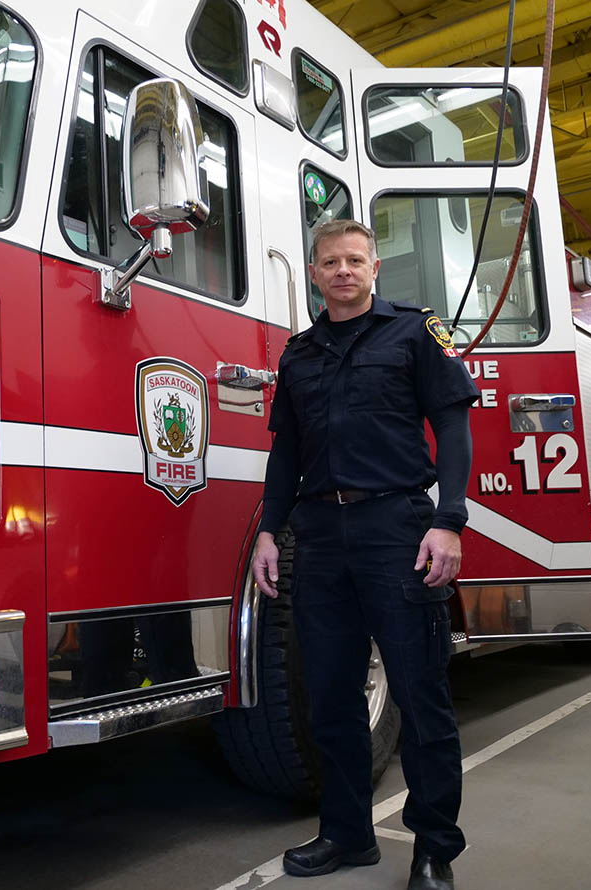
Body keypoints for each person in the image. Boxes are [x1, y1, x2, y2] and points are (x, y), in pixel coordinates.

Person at [252, 219, 479, 890]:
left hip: (397, 529)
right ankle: (347, 835)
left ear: (375, 268)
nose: (343, 270)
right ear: (315, 273)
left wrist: (450, 520)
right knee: (330, 699)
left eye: (355, 260)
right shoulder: (298, 354)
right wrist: (270, 530)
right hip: (320, 537)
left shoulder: (413, 333)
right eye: (330, 262)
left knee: (420, 695)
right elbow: (286, 452)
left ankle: (435, 848)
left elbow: (453, 430)